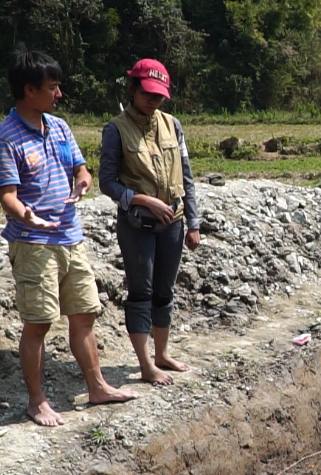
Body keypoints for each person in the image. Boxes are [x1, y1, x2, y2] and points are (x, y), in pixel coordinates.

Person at [0, 49, 137, 427]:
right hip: (34, 243)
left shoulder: (60, 127)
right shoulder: (6, 137)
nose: (59, 94)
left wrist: (83, 180)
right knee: (38, 322)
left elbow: (80, 167)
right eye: (53, 87)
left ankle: (97, 385)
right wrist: (27, 216)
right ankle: (36, 401)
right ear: (29, 90)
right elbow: (7, 194)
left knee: (85, 313)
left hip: (71, 236)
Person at [100, 59, 201, 386]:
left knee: (164, 291)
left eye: (158, 96)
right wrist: (143, 200)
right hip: (137, 225)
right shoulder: (115, 129)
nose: (153, 101)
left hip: (173, 223)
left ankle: (162, 354)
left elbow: (186, 177)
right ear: (132, 88)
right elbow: (107, 182)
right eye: (147, 94)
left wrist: (194, 222)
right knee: (141, 292)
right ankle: (145, 365)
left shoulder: (173, 125)